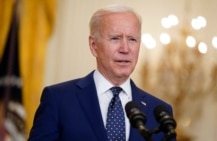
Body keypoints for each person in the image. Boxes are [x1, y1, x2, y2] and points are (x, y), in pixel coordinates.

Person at [28, 4, 176, 141]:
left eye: (132, 39)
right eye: (115, 38)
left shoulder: (160, 113)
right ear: (93, 46)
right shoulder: (58, 99)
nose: (125, 49)